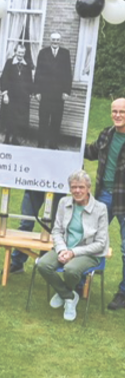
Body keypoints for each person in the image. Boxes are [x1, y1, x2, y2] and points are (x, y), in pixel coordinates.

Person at [37, 170, 109, 322]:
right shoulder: (64, 203)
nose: (77, 191)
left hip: (90, 253)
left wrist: (73, 252)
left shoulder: (100, 208)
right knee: (43, 264)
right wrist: (63, 249)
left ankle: (64, 293)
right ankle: (69, 296)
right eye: (74, 187)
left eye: (81, 187)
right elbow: (57, 230)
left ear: (88, 188)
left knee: (71, 269)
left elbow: (101, 243)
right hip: (65, 248)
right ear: (70, 189)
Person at [85, 97, 125, 310]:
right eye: (114, 111)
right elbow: (90, 152)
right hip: (105, 196)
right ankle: (83, 280)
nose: (117, 115)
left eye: (122, 112)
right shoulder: (106, 134)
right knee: (91, 237)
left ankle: (123, 293)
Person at [8, 190, 65, 274]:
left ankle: (45, 263)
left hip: (57, 186)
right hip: (34, 184)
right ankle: (17, 263)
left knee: (53, 227)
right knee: (26, 223)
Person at [34, 32, 72, 149]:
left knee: (56, 120)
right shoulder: (43, 52)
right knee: (43, 120)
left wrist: (66, 91)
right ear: (50, 40)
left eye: (57, 40)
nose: (55, 42)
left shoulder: (65, 53)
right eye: (53, 39)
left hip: (58, 95)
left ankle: (53, 144)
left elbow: (68, 73)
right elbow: (38, 72)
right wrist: (37, 92)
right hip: (45, 94)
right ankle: (41, 143)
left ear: (60, 41)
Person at [0, 43, 34, 145]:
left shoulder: (27, 65)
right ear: (15, 52)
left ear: (24, 53)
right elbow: (3, 78)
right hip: (10, 96)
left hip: (22, 97)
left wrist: (30, 93)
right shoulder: (9, 63)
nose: (20, 55)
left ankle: (15, 138)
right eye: (18, 52)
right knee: (9, 117)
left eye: (22, 53)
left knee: (18, 119)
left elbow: (29, 80)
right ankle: (7, 138)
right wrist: (5, 94)